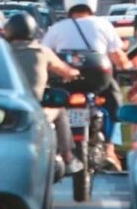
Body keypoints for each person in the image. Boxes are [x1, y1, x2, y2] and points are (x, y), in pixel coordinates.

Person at [42, 0, 132, 171]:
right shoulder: (103, 25)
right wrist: (130, 67)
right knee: (116, 106)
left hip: (66, 83)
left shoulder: (57, 28)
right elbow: (120, 61)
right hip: (98, 81)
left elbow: (45, 56)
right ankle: (110, 149)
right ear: (92, 2)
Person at [5, 12, 84, 174]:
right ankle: (68, 155)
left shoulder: (2, 52)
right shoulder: (41, 51)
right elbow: (65, 71)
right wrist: (75, 73)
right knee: (60, 110)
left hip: (7, 111)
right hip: (38, 112)